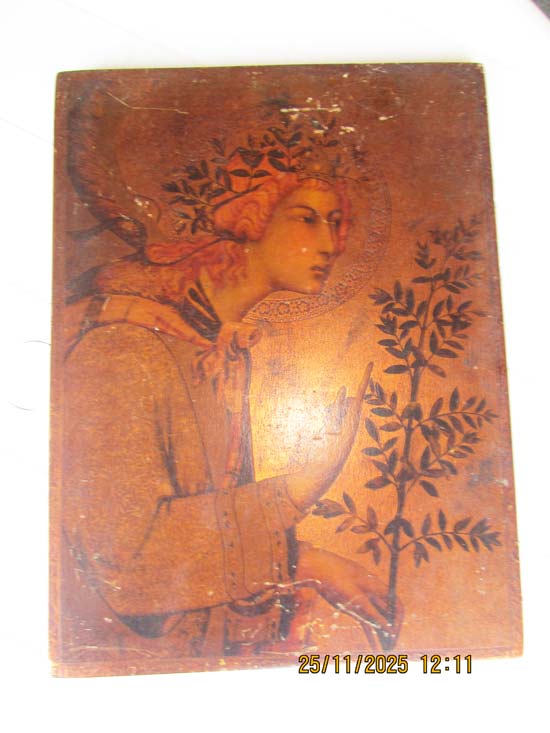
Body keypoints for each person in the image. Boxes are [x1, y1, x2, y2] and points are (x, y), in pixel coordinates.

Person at [60, 147, 398, 666]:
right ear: (246, 221)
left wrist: (299, 569)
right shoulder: (123, 349)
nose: (331, 245)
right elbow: (124, 563)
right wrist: (298, 510)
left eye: (336, 223)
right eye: (307, 219)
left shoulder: (219, 350)